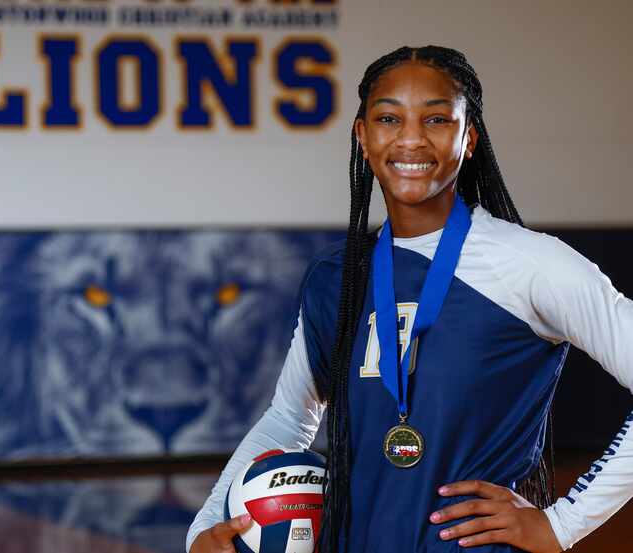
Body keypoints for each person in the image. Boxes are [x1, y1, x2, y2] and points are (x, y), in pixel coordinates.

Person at [186, 45, 633, 553]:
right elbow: (290, 419)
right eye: (389, 118)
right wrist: (204, 524)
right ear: (363, 135)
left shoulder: (529, 264)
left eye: (438, 119)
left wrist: (563, 524)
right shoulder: (338, 278)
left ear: (469, 138)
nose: (412, 138)